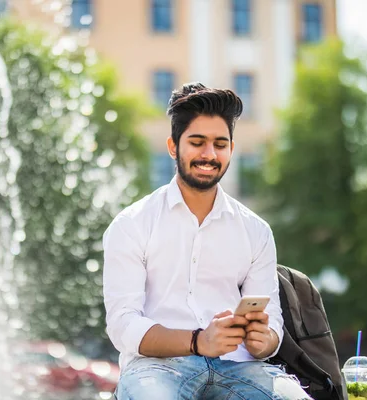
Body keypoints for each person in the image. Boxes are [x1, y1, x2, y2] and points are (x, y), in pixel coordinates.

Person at [102, 83, 311, 399]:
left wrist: (263, 340)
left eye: (220, 144)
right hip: (157, 369)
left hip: (241, 368)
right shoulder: (132, 224)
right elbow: (123, 325)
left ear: (231, 149)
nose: (209, 154)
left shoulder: (256, 231)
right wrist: (198, 341)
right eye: (197, 142)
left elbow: (274, 328)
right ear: (173, 147)